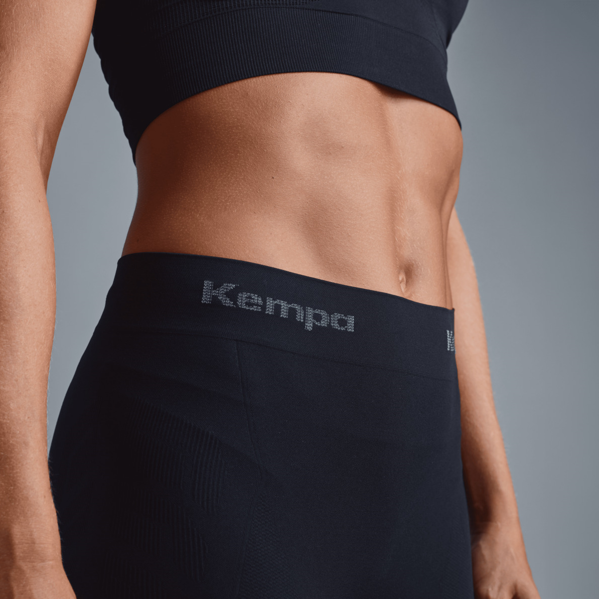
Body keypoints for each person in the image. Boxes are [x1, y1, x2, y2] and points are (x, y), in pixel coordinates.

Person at [0, 0, 542, 597]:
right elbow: (13, 133)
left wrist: (495, 516)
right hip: (216, 420)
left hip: (422, 466)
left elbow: (423, 199)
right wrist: (24, 549)